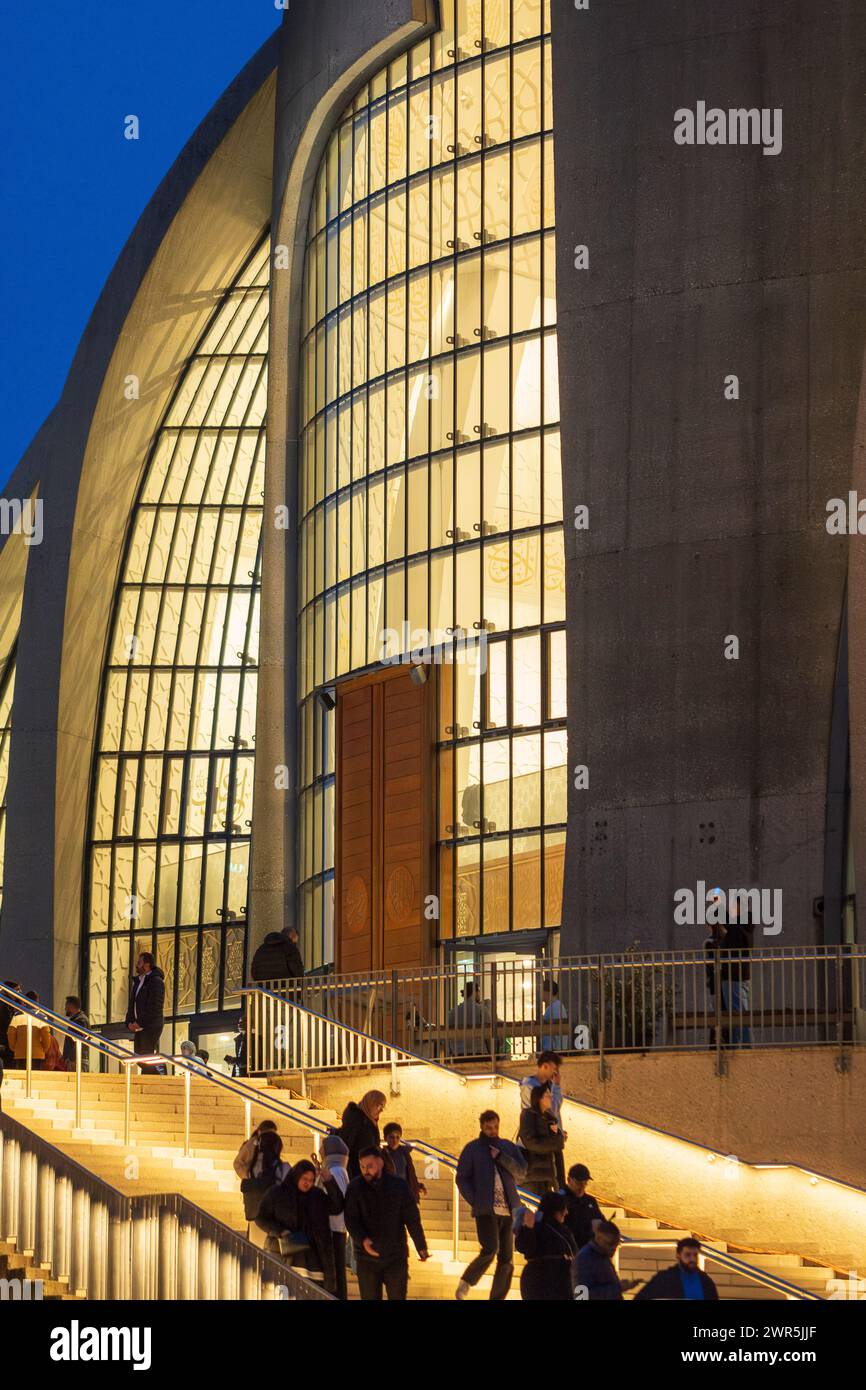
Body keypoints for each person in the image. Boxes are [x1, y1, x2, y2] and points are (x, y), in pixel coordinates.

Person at [454, 1109, 528, 1301]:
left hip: (509, 1209)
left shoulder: (507, 1146)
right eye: (488, 1127)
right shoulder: (472, 1149)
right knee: (490, 1249)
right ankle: (466, 1282)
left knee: (506, 1258)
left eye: (495, 1127)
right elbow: (462, 1178)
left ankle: (497, 1297)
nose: (492, 1130)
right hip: (486, 1210)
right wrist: (475, 1200)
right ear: (481, 1127)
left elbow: (521, 1173)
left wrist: (501, 1157)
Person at [344, 1146, 429, 1300]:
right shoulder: (355, 1187)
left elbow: (412, 1218)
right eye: (362, 1166)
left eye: (370, 1166)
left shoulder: (398, 1186)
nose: (365, 1171)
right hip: (367, 1257)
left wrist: (421, 1245)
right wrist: (363, 1239)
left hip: (395, 1255)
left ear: (380, 1163)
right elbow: (351, 1219)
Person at [256, 1158, 339, 1294]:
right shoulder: (277, 1193)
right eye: (304, 1178)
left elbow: (336, 1207)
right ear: (296, 1176)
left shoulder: (317, 1196)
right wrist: (280, 1231)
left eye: (311, 1180)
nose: (308, 1183)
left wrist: (329, 1181)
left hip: (313, 1259)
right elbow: (261, 1217)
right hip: (283, 1252)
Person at [515, 1191, 578, 1300]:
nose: (567, 1212)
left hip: (550, 1281)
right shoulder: (538, 1227)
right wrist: (527, 1228)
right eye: (564, 1209)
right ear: (556, 1211)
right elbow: (524, 1247)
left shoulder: (563, 1230)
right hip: (547, 1283)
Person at [519, 1050, 565, 1188]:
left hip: (548, 1148)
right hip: (538, 1156)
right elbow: (551, 1110)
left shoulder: (546, 1086)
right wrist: (557, 1087)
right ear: (544, 1066)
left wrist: (557, 1132)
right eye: (554, 1069)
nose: (555, 1073)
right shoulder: (531, 1087)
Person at [240, 1129, 291, 1248]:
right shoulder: (282, 1168)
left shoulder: (251, 1167)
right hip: (275, 1221)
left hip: (255, 1219)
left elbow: (238, 1163)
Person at [318, 1134, 351, 1300]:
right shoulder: (341, 1169)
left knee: (335, 1272)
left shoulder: (335, 1171)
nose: (320, 1150)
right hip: (339, 1228)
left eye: (323, 1147)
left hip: (332, 1228)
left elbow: (335, 1201)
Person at [634, 1238, 719, 1301]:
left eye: (695, 1255)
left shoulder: (705, 1280)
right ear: (678, 1256)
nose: (692, 1259)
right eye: (687, 1255)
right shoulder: (665, 1278)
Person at [576, 1220, 642, 1300]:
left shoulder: (603, 1255)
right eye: (610, 1243)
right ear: (599, 1238)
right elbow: (582, 1295)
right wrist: (619, 1287)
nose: (613, 1248)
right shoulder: (585, 1258)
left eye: (616, 1244)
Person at [519, 1085, 566, 1197]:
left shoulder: (551, 1119)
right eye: (547, 1095)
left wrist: (561, 1183)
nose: (550, 1097)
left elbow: (558, 1148)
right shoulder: (528, 1115)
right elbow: (530, 1142)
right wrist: (556, 1142)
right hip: (533, 1176)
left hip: (549, 1176)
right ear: (539, 1098)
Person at [125, 953, 166, 1074]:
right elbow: (132, 1004)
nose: (136, 966)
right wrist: (129, 1022)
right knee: (139, 1057)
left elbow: (155, 1007)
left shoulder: (156, 982)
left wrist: (139, 1023)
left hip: (151, 1025)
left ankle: (155, 1075)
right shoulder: (138, 982)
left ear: (147, 964)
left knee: (145, 1056)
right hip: (139, 1026)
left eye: (139, 963)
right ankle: (153, 1074)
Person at [336, 1089, 387, 1179]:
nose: (381, 1110)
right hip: (358, 1172)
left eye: (383, 1107)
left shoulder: (370, 1121)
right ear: (370, 1103)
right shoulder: (356, 1120)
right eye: (379, 1106)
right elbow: (347, 1145)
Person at [446, 981, 495, 1058]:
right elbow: (489, 1032)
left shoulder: (453, 1012)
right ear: (475, 992)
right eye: (478, 991)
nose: (479, 994)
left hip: (458, 1053)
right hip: (479, 1053)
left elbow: (447, 1034)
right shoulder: (481, 1010)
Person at [6, 992, 53, 1070]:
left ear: (25, 1001)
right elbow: (46, 1036)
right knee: (35, 1077)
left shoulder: (17, 1015)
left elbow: (11, 1034)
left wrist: (15, 1048)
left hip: (20, 1053)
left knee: (22, 1077)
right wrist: (43, 1049)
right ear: (37, 1002)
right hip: (37, 1054)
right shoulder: (41, 1016)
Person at [382, 1122, 426, 1202]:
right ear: (385, 1138)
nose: (394, 1140)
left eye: (397, 1137)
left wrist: (417, 1186)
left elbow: (410, 1173)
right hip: (390, 1195)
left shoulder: (404, 1154)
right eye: (391, 1137)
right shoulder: (382, 1155)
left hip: (404, 1194)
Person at [564, 1163, 603, 1251]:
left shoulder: (590, 1201)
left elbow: (599, 1219)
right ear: (569, 1180)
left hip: (588, 1250)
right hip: (568, 1250)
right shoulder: (559, 1200)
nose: (582, 1186)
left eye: (585, 1183)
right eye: (578, 1183)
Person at [62, 996, 89, 1073]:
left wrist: (70, 1058)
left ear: (71, 1006)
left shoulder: (80, 1020)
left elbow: (80, 1040)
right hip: (77, 1059)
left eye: (66, 1006)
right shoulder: (79, 1019)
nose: (65, 1008)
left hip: (76, 1061)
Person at [541, 981, 570, 1052]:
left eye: (541, 991)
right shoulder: (557, 1006)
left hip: (554, 1051)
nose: (540, 994)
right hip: (557, 1050)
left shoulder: (554, 1008)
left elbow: (552, 1031)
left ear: (547, 992)